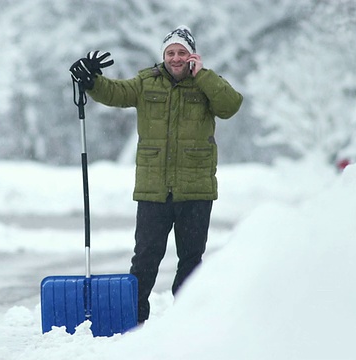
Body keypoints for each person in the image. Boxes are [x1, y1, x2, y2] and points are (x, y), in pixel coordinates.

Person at [69, 25, 243, 323]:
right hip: (154, 189)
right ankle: (133, 317)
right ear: (163, 56)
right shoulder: (147, 82)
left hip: (195, 189)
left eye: (182, 52)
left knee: (191, 259)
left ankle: (188, 318)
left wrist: (202, 75)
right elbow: (116, 93)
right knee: (145, 258)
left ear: (192, 55)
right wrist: (92, 82)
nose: (176, 58)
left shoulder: (207, 83)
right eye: (170, 52)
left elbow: (230, 105)